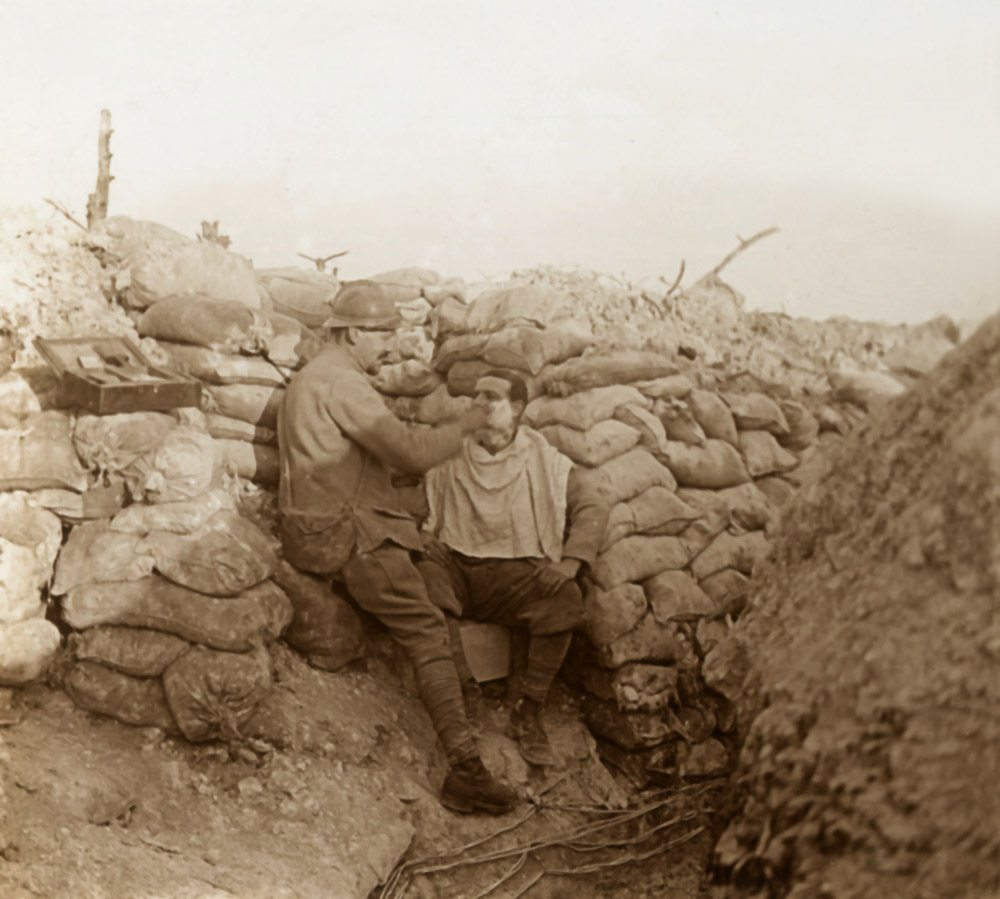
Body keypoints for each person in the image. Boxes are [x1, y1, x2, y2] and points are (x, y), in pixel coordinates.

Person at [276, 282, 517, 815]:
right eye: (381, 335)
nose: (390, 347)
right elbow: (410, 453)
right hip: (348, 534)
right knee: (426, 625)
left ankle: (464, 704)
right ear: (351, 334)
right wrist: (470, 422)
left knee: (434, 575)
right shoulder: (342, 383)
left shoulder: (316, 376)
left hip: (323, 526)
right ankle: (464, 770)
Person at [418, 371, 609, 767]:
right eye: (476, 397)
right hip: (457, 568)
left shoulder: (543, 458)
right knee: (421, 573)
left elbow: (592, 505)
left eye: (491, 398)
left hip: (515, 579)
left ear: (518, 408)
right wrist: (418, 533)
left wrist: (571, 561)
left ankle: (529, 709)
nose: (479, 405)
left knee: (566, 599)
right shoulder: (449, 451)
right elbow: (414, 497)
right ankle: (464, 689)